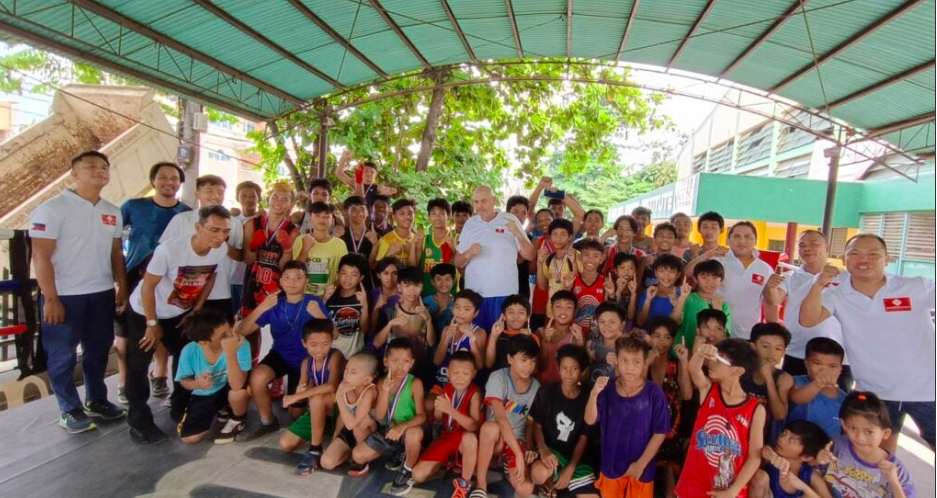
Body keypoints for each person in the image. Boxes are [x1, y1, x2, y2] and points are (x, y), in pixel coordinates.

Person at [799, 233, 936, 452]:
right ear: (844, 260)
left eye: (873, 254)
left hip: (928, 389)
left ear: (887, 259)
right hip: (875, 391)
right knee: (877, 456)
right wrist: (818, 285)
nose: (864, 260)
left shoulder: (915, 286)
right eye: (854, 254)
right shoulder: (837, 294)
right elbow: (807, 319)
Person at [30, 150, 129, 433]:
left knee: (98, 350)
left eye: (104, 167)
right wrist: (51, 298)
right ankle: (69, 409)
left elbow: (115, 253)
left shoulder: (112, 210)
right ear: (74, 172)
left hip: (100, 292)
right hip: (64, 295)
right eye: (91, 167)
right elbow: (40, 257)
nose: (99, 171)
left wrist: (121, 284)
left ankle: (96, 400)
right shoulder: (52, 208)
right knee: (62, 355)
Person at [124, 205, 232, 443]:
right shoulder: (169, 250)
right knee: (138, 362)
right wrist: (152, 323)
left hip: (179, 312)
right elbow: (148, 286)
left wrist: (195, 310)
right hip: (145, 310)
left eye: (225, 231)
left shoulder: (220, 249)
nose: (220, 236)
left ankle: (180, 408)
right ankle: (139, 420)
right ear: (198, 227)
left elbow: (210, 276)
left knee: (187, 357)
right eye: (214, 230)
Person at [117, 162, 190, 403]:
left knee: (166, 329)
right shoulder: (133, 206)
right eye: (163, 177)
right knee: (130, 334)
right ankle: (125, 384)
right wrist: (119, 281)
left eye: (174, 178)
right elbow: (112, 238)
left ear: (180, 183)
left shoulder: (187, 213)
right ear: (153, 181)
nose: (169, 182)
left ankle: (160, 376)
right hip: (136, 276)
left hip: (172, 280)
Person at [234, 261, 329, 441]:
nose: (292, 282)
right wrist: (262, 307)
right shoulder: (274, 303)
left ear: (306, 281)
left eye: (298, 278)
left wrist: (320, 315)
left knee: (295, 414)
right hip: (280, 354)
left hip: (306, 361)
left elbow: (335, 335)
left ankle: (311, 408)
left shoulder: (314, 302)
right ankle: (268, 422)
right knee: (257, 377)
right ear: (281, 281)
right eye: (287, 278)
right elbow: (242, 331)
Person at [675, 338, 765, 498]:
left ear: (738, 371)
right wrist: (700, 353)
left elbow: (754, 457)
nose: (712, 363)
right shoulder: (708, 389)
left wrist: (733, 491)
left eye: (719, 360)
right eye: (713, 358)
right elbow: (694, 369)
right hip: (693, 485)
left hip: (728, 490)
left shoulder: (755, 409)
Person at [585, 335, 671, 498]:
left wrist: (640, 464)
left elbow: (660, 433)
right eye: (624, 360)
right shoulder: (607, 388)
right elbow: (589, 420)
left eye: (636, 362)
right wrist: (594, 393)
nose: (630, 367)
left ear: (645, 363)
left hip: (641, 470)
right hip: (611, 466)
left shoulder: (654, 393)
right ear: (616, 360)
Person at [774, 230, 852, 390]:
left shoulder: (846, 278)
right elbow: (774, 299)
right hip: (797, 352)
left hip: (837, 358)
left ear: (827, 248)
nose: (807, 248)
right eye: (802, 245)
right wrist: (770, 286)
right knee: (792, 404)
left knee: (835, 408)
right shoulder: (791, 277)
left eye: (814, 244)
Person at [160, 175, 244, 320]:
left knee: (219, 338)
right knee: (184, 338)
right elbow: (163, 254)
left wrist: (222, 241)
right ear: (197, 193)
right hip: (183, 293)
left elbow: (240, 256)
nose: (215, 196)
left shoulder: (234, 224)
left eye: (220, 192)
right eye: (209, 191)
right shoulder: (182, 219)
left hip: (220, 291)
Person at [351, 338, 426, 496]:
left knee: (414, 434)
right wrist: (385, 391)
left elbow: (422, 416)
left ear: (412, 363)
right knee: (357, 455)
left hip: (409, 429)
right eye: (395, 360)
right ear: (386, 361)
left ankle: (407, 469)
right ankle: (398, 451)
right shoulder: (381, 383)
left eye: (405, 361)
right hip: (390, 430)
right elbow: (379, 415)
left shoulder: (415, 383)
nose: (400, 365)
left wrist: (403, 426)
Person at [455, 185, 535, 332]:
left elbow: (530, 255)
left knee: (501, 341)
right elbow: (457, 261)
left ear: (494, 200)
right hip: (475, 296)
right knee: (476, 341)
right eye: (476, 202)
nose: (479, 206)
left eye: (483, 201)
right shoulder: (470, 223)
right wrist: (468, 254)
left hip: (504, 294)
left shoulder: (509, 219)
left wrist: (517, 232)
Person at [474, 334, 541, 498]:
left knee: (525, 489)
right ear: (510, 359)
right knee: (490, 428)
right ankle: (481, 483)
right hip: (495, 439)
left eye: (532, 361)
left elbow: (531, 423)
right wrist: (518, 454)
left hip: (517, 440)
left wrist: (528, 448)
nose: (529, 366)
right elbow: (500, 419)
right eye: (524, 360)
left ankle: (506, 464)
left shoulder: (536, 387)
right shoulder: (498, 377)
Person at [241, 181, 299, 369]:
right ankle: (250, 366)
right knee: (250, 329)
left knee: (281, 329)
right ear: (268, 199)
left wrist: (288, 249)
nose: (279, 202)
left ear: (290, 204)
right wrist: (253, 246)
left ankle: (277, 371)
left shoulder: (293, 230)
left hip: (277, 286)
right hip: (254, 283)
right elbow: (248, 260)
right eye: (275, 197)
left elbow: (285, 267)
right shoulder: (252, 224)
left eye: (285, 199)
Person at [686, 221, 775, 340]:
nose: (742, 241)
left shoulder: (765, 268)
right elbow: (688, 272)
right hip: (714, 333)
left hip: (748, 334)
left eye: (748, 237)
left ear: (756, 240)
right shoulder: (718, 260)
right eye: (737, 236)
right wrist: (707, 255)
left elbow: (770, 303)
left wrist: (773, 331)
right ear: (728, 240)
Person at [174, 308, 251, 444]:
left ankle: (237, 419)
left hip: (231, 385)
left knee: (238, 394)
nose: (231, 335)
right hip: (206, 392)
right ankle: (220, 408)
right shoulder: (189, 351)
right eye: (223, 335)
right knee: (190, 438)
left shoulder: (241, 344)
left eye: (230, 329)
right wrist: (197, 384)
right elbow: (184, 381)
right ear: (203, 342)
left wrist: (230, 353)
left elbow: (237, 384)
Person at [530, 344, 598, 497]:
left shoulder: (588, 399)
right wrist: (543, 450)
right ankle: (550, 487)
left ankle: (560, 487)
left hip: (576, 459)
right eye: (564, 368)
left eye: (574, 369)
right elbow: (537, 426)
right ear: (558, 368)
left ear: (583, 371)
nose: (568, 374)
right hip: (551, 453)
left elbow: (583, 437)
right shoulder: (546, 393)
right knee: (538, 473)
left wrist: (571, 468)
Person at [818, 391, 915, 498]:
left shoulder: (895, 469)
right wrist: (819, 460)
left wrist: (894, 482)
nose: (860, 437)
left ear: (885, 433)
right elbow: (813, 475)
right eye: (852, 428)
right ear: (844, 424)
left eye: (869, 432)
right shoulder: (835, 446)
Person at [412, 351, 482, 497]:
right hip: (447, 436)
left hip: (465, 438)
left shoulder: (475, 393)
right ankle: (447, 462)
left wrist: (450, 410)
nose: (460, 378)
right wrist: (438, 411)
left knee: (470, 438)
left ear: (473, 374)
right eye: (455, 373)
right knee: (417, 475)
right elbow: (439, 420)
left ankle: (465, 483)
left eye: (465, 373)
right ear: (448, 373)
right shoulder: (447, 389)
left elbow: (474, 426)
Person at [280, 318, 345, 475]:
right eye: (313, 345)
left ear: (331, 341)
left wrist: (296, 396)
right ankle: (323, 430)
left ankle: (315, 449)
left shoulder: (335, 356)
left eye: (325, 344)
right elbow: (303, 392)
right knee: (285, 444)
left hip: (338, 409)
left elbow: (331, 386)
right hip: (319, 409)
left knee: (317, 399)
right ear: (304, 343)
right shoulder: (306, 363)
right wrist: (299, 393)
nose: (320, 349)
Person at [647, 317, 692, 498]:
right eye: (656, 336)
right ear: (649, 338)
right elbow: (637, 391)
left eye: (667, 337)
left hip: (672, 427)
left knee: (669, 478)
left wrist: (685, 361)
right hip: (645, 427)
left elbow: (687, 394)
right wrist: (645, 364)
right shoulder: (641, 361)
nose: (661, 342)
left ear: (673, 340)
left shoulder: (676, 363)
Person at [317, 352, 379, 472]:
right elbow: (342, 419)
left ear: (367, 380)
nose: (346, 375)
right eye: (346, 369)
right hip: (350, 429)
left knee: (360, 424)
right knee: (326, 463)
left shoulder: (369, 391)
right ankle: (350, 453)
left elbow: (353, 424)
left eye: (353, 372)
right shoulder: (345, 386)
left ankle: (362, 459)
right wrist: (334, 439)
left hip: (365, 432)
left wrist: (339, 397)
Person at [431, 290, 486, 409]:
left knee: (466, 408)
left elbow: (480, 365)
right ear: (452, 308)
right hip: (445, 377)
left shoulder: (479, 332)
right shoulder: (447, 329)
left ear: (475, 313)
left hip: (465, 381)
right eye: (457, 307)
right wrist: (446, 339)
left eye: (467, 309)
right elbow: (436, 361)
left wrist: (472, 339)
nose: (461, 312)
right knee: (430, 404)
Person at [373, 266, 436, 370]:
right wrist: (390, 324)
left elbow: (432, 342)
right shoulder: (390, 311)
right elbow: (376, 343)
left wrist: (428, 320)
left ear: (422, 287)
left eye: (416, 285)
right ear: (399, 287)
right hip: (393, 368)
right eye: (407, 286)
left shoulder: (428, 311)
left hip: (420, 368)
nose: (412, 291)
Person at [749, 421, 832, 498]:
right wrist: (773, 457)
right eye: (784, 433)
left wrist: (803, 487)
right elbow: (763, 451)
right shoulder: (772, 455)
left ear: (806, 456)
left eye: (791, 440)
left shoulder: (811, 475)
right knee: (760, 476)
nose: (781, 439)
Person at [743, 323, 794, 445]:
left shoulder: (784, 378)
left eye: (778, 349)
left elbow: (780, 415)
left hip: (766, 440)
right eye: (766, 346)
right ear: (753, 346)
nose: (772, 353)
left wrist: (769, 379)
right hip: (738, 432)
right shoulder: (742, 370)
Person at [787, 338, 847, 439]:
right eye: (817, 363)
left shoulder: (845, 399)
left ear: (841, 369)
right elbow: (798, 398)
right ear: (806, 363)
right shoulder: (795, 382)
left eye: (832, 366)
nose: (824, 370)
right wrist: (818, 384)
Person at [293, 201, 348, 297]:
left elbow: (344, 273)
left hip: (328, 298)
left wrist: (327, 293)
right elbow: (294, 270)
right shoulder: (301, 239)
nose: (321, 220)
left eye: (326, 217)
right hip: (301, 297)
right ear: (310, 218)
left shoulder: (339, 244)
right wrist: (305, 250)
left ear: (332, 221)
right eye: (317, 216)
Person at [672, 259, 730, 350]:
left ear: (721, 280)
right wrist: (682, 298)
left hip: (709, 356)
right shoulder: (688, 298)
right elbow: (674, 322)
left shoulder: (724, 306)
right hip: (683, 352)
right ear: (696, 278)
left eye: (714, 278)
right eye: (704, 277)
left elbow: (725, 336)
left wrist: (718, 311)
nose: (709, 282)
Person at [324, 254, 371, 360]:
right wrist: (324, 299)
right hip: (332, 355)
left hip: (355, 356)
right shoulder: (330, 296)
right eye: (344, 273)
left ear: (360, 278)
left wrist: (365, 305)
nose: (347, 278)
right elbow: (321, 324)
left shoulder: (362, 297)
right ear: (338, 274)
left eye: (353, 275)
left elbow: (365, 328)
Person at [536, 291, 585, 385]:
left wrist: (580, 343)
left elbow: (580, 373)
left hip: (565, 390)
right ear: (551, 309)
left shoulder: (576, 336)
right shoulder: (540, 333)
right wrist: (545, 342)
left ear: (575, 311)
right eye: (558, 306)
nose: (563, 311)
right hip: (541, 388)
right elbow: (540, 367)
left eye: (568, 307)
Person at [411, 198, 457, 297]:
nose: (437, 217)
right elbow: (413, 266)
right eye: (433, 214)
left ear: (448, 216)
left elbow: (461, 266)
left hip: (450, 297)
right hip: (427, 295)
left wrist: (453, 249)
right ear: (429, 217)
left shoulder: (456, 238)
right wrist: (413, 244)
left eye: (441, 213)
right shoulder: (424, 240)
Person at [230, 180, 263, 315]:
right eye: (243, 196)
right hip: (232, 276)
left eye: (252, 196)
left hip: (254, 278)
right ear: (238, 197)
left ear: (259, 199)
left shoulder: (264, 221)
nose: (248, 199)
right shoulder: (231, 220)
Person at [537, 218, 580, 319]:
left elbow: (581, 285)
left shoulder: (577, 256)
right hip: (551, 312)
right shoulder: (548, 259)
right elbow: (542, 286)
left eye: (563, 234)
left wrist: (573, 263)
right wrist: (539, 263)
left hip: (571, 313)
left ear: (570, 237)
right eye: (555, 234)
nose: (558, 238)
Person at [485, 295, 538, 371]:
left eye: (521, 312)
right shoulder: (496, 334)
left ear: (527, 317)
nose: (516, 316)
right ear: (503, 316)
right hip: (499, 378)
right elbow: (488, 364)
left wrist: (526, 340)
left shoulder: (532, 338)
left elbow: (535, 369)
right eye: (511, 312)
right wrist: (493, 337)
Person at [333, 149, 398, 208]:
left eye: (372, 172)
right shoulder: (355, 183)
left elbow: (384, 189)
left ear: (376, 175)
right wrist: (344, 158)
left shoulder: (377, 187)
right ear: (361, 172)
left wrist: (389, 190)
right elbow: (339, 174)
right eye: (366, 171)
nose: (369, 174)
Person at [569, 237, 606, 337]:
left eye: (595, 256)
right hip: (574, 332)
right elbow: (566, 302)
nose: (590, 259)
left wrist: (612, 293)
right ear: (580, 257)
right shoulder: (572, 280)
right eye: (586, 255)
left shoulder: (605, 282)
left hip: (597, 335)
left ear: (601, 259)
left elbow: (607, 309)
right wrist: (566, 287)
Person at [636, 254, 686, 327]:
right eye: (661, 271)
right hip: (647, 336)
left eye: (671, 272)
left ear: (678, 274)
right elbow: (640, 322)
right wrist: (648, 300)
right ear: (656, 273)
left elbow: (677, 323)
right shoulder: (647, 293)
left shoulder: (682, 295)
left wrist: (678, 303)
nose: (666, 275)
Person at [340, 196, 379, 289]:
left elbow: (373, 265)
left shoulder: (375, 236)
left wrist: (375, 245)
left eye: (362, 209)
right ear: (345, 212)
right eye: (354, 209)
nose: (359, 213)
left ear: (367, 212)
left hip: (368, 284)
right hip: (344, 284)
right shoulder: (341, 235)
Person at [372, 198, 420, 268]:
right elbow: (377, 268)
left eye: (410, 213)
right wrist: (389, 254)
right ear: (394, 217)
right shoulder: (386, 240)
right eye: (402, 214)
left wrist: (412, 251)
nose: (407, 217)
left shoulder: (419, 239)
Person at [588, 302, 627, 381]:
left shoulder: (627, 349)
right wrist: (587, 360)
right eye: (602, 322)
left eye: (612, 322)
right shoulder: (590, 345)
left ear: (622, 325)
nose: (606, 326)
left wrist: (617, 366)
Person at [506, 195, 533, 299]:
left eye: (523, 213)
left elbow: (520, 260)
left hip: (521, 287)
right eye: (515, 212)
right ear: (508, 213)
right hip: (501, 287)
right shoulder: (499, 236)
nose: (519, 216)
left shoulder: (529, 238)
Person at [606, 252, 640, 329]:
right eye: (622, 268)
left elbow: (631, 316)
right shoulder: (610, 286)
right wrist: (618, 291)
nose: (626, 271)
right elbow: (611, 312)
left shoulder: (638, 289)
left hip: (629, 329)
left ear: (635, 272)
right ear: (615, 271)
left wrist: (633, 294)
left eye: (631, 268)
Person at [642, 222, 679, 287]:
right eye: (661, 236)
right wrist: (642, 266)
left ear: (675, 240)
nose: (665, 239)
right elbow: (638, 283)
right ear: (654, 239)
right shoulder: (646, 259)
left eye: (669, 237)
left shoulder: (679, 262)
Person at [424, 263, 457, 335]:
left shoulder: (458, 303)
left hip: (451, 344)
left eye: (447, 279)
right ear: (432, 282)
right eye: (439, 279)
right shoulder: (425, 301)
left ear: (453, 281)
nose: (443, 283)